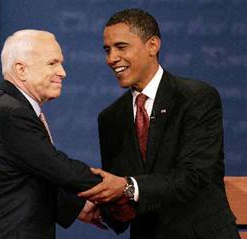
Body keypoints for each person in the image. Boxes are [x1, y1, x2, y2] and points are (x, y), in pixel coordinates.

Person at [78, 9, 240, 239]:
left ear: (152, 45)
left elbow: (193, 177)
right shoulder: (110, 118)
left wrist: (126, 186)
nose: (111, 58)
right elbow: (124, 202)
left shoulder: (196, 98)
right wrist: (102, 207)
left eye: (121, 47)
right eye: (107, 50)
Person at [0, 29, 126, 239]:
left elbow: (34, 177)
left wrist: (78, 207)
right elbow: (58, 168)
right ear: (21, 70)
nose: (62, 72)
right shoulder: (10, 113)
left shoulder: (11, 107)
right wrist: (120, 189)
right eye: (52, 63)